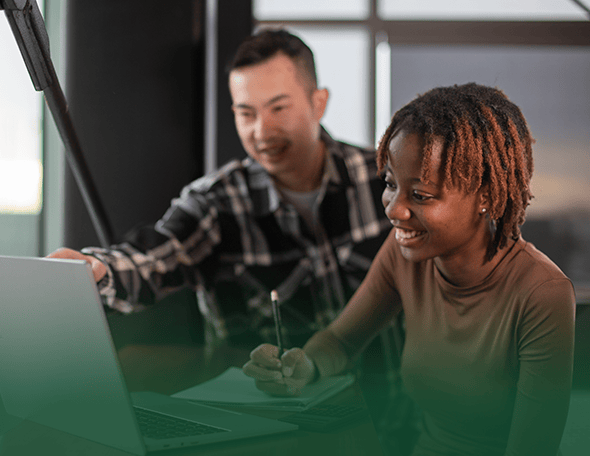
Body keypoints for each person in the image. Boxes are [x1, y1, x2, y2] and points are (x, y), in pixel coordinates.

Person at [243, 82, 576, 456]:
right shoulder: (405, 253)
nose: (393, 209)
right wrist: (303, 366)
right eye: (390, 184)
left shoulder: (543, 293)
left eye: (420, 195)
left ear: (486, 195)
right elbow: (340, 341)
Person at [49, 28, 391, 353]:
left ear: (319, 103)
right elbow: (154, 259)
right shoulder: (216, 202)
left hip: (392, 409)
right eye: (246, 113)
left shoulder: (384, 180)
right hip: (266, 413)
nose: (261, 131)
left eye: (278, 108)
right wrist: (97, 268)